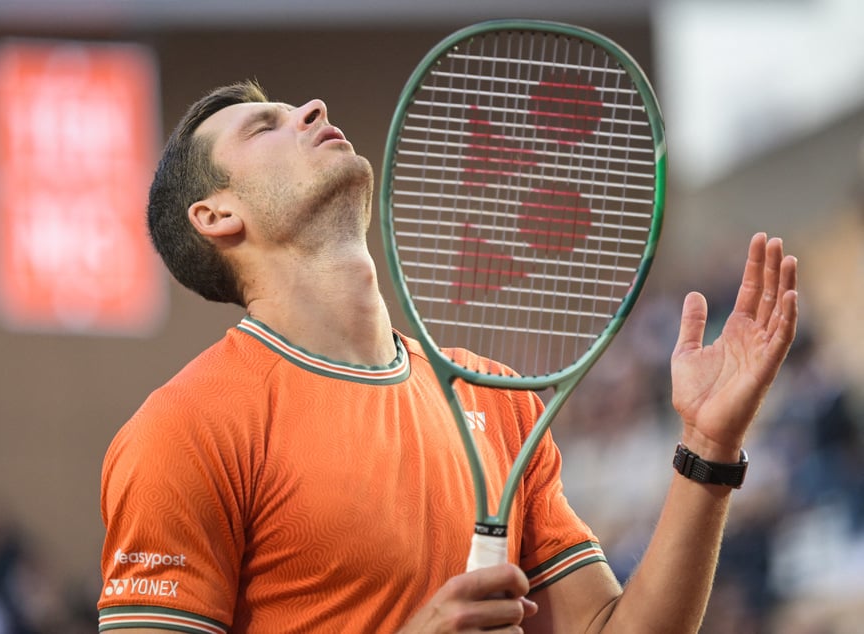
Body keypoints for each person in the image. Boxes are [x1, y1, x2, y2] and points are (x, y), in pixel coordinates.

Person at [97, 80, 799, 633]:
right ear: (216, 215)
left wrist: (708, 447)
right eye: (264, 125)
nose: (311, 108)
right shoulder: (185, 429)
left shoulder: (495, 395)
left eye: (296, 108)